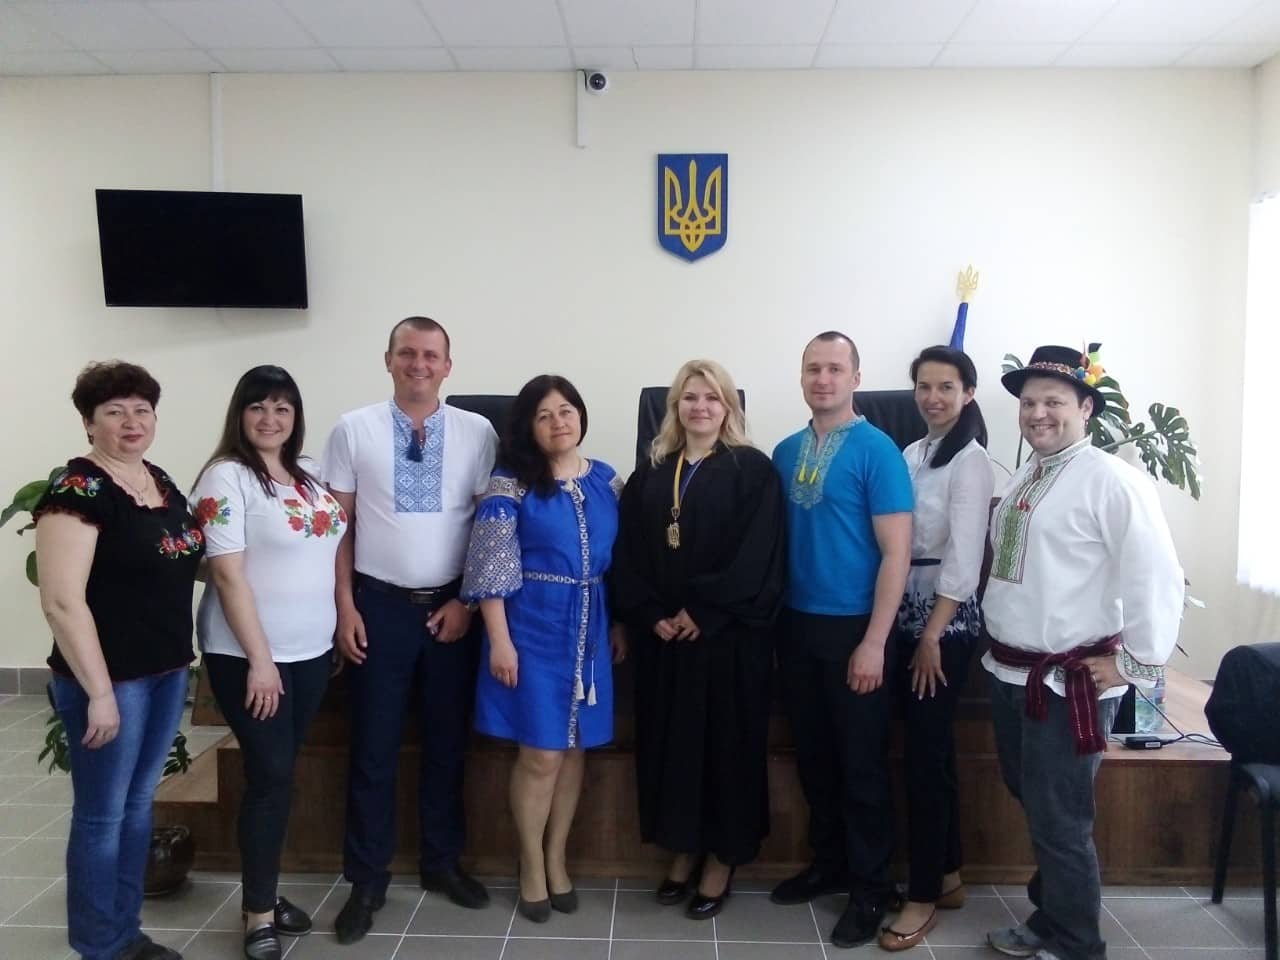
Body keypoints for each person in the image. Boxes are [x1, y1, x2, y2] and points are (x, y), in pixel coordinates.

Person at [982, 345, 1183, 960]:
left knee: (1061, 819)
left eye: (1054, 402)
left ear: (1086, 407)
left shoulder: (1112, 480)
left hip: (1067, 682)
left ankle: (1077, 943)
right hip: (1011, 671)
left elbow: (1156, 575)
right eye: (1029, 402)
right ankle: (1052, 916)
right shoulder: (1028, 474)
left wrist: (1131, 663)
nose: (1037, 413)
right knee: (1036, 801)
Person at [320, 317, 498, 944]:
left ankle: (441, 862)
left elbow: (490, 526)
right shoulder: (353, 429)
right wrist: (345, 608)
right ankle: (366, 880)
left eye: (430, 355)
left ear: (448, 366)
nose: (418, 364)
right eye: (407, 353)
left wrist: (468, 603)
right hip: (379, 609)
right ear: (388, 360)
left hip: (452, 609)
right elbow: (337, 529)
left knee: (448, 744)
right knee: (373, 749)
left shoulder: (478, 432)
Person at [35, 361, 202, 960]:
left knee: (136, 806)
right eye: (114, 411)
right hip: (110, 682)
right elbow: (61, 600)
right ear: (89, 423)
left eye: (142, 410)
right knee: (102, 816)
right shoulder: (76, 491)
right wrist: (100, 693)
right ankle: (97, 944)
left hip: (165, 671)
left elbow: (184, 560)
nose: (132, 422)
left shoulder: (159, 481)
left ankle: (125, 934)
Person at [612, 359, 785, 920]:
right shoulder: (651, 472)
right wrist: (649, 613)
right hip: (665, 641)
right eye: (690, 397)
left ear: (728, 407)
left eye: (712, 397)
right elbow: (625, 553)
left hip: (727, 640)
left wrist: (704, 611)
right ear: (675, 407)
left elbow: (759, 555)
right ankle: (682, 848)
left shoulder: (753, 470)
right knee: (674, 749)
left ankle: (722, 858)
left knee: (726, 750)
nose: (701, 407)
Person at [190, 366, 348, 960]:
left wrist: (330, 632)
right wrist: (261, 661)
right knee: (271, 776)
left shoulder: (306, 475)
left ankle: (265, 889)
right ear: (240, 413)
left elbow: (325, 553)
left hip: (310, 652)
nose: (270, 418)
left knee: (278, 775)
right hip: (249, 657)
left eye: (283, 407)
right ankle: (258, 912)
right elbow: (227, 575)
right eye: (258, 406)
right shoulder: (225, 477)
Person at [460, 375, 625, 922]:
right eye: (544, 414)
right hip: (531, 628)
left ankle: (557, 858)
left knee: (575, 749)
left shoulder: (606, 480)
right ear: (528, 426)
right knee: (541, 753)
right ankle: (529, 862)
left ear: (581, 415)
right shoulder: (511, 485)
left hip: (592, 627)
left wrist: (620, 624)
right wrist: (500, 642)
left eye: (567, 410)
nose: (559, 422)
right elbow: (490, 567)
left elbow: (623, 562)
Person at [769, 331, 914, 949]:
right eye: (813, 369)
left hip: (857, 628)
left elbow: (897, 553)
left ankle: (871, 888)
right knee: (816, 759)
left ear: (856, 377)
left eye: (834, 368)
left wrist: (875, 642)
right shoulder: (784, 451)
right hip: (797, 627)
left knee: (861, 766)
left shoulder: (879, 451)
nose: (822, 379)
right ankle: (829, 863)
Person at [879, 346, 994, 952]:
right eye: (924, 387)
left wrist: (931, 636)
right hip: (906, 609)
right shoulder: (912, 452)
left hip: (943, 624)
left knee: (925, 760)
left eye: (946, 387)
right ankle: (947, 874)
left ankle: (921, 895)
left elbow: (965, 560)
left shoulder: (971, 461)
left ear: (968, 393)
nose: (933, 398)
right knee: (930, 752)